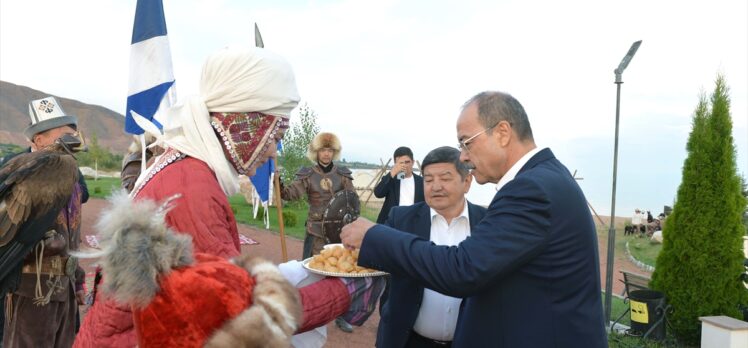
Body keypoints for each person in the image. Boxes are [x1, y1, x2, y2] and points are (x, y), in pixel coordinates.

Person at [75, 45, 382, 347]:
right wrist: (342, 291)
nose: (274, 150)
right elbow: (239, 313)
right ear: (244, 127)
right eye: (274, 136)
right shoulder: (192, 185)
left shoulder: (187, 166)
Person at [342, 91, 607, 347]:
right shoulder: (546, 177)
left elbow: (463, 269)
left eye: (467, 142)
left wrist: (373, 235)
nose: (463, 156)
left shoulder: (531, 189)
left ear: (503, 133)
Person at [377, 146, 486, 348]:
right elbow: (376, 260)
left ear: (467, 182)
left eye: (445, 178)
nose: (436, 186)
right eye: (428, 180)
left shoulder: (488, 223)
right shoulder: (400, 220)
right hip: (406, 340)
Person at [1, 96, 88, 347]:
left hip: (65, 290)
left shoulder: (71, 170)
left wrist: (78, 280)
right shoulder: (29, 170)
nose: (73, 137)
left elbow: (72, 233)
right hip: (32, 289)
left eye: (73, 132)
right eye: (63, 133)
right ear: (39, 140)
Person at [280, 131, 358, 334]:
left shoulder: (342, 174)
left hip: (339, 231)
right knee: (310, 272)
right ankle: (303, 314)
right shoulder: (308, 174)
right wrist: (277, 183)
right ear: (316, 151)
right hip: (315, 231)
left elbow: (351, 201)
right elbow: (290, 194)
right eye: (323, 149)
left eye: (330, 150)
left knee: (342, 272)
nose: (326, 154)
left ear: (334, 152)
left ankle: (342, 315)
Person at [374, 146, 424, 224]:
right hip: (391, 223)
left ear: (413, 162)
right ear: (395, 164)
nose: (404, 165)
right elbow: (378, 193)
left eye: (407, 162)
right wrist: (392, 173)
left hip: (413, 223)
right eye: (400, 163)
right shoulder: (391, 179)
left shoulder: (421, 181)